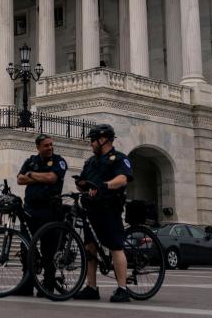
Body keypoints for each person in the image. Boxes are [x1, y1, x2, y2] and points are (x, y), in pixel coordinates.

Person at [73, 123, 134, 303]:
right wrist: (81, 184)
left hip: (109, 207)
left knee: (116, 246)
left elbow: (123, 179)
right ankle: (91, 287)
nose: (91, 143)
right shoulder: (90, 161)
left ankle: (122, 288)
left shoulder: (119, 158)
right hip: (90, 209)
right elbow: (84, 180)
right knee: (89, 247)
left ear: (103, 140)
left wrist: (105, 185)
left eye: (93, 140)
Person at [16, 134, 67, 295]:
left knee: (48, 250)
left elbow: (52, 178)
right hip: (30, 211)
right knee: (26, 248)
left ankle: (48, 285)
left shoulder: (59, 161)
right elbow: (19, 179)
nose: (50, 147)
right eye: (46, 145)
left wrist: (31, 175)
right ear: (38, 147)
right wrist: (39, 177)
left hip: (50, 211)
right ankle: (27, 284)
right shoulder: (30, 161)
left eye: (51, 144)